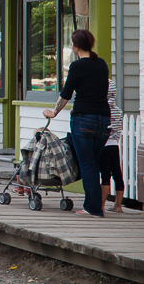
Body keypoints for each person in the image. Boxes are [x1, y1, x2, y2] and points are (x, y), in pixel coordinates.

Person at [43, 29, 111, 217]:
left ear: (76, 46)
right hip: (104, 120)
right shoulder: (102, 65)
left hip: (83, 119)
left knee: (87, 164)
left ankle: (93, 208)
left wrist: (53, 112)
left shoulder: (77, 66)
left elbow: (66, 94)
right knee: (93, 163)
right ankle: (95, 205)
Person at [100, 79, 124, 213]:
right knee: (117, 174)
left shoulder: (103, 109)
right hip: (115, 145)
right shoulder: (118, 110)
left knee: (105, 175)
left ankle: (102, 205)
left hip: (104, 145)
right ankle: (118, 205)